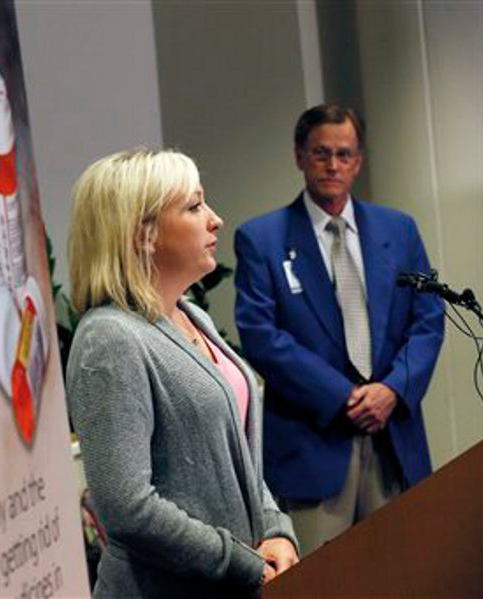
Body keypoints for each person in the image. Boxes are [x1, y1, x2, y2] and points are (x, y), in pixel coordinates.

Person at [66, 149, 298, 597]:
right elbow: (126, 507)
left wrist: (275, 529)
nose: (216, 220)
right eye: (194, 207)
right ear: (142, 234)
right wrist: (239, 561)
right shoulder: (110, 339)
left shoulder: (191, 315)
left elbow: (238, 456)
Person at [234, 104, 445, 553]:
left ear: (359, 161)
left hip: (394, 438)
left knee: (407, 571)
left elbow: (427, 321)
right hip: (315, 442)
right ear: (299, 156)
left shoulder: (399, 229)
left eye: (344, 154)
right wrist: (343, 396)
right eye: (321, 153)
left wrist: (392, 389)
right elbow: (260, 334)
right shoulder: (262, 239)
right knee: (324, 581)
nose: (333, 165)